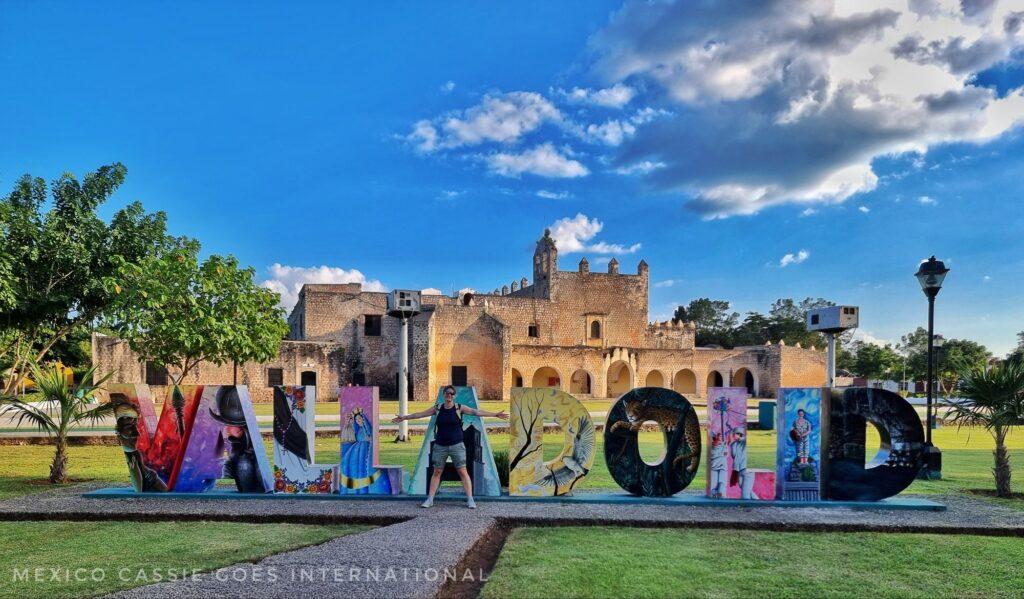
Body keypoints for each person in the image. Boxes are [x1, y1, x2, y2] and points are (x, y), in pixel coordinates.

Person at [393, 385, 508, 508]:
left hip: (457, 445)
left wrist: (495, 414)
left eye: (452, 393)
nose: (450, 395)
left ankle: (470, 499)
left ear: (454, 396)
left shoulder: (459, 407)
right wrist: (404, 417)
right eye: (447, 393)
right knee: (437, 471)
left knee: (462, 471)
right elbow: (420, 414)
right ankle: (430, 499)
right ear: (444, 394)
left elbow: (476, 412)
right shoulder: (437, 408)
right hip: (440, 446)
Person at [729, 427, 756, 500]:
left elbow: (747, 439)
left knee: (745, 495)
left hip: (748, 471)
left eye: (734, 434)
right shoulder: (734, 444)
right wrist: (732, 444)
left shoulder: (745, 442)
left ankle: (747, 508)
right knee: (747, 491)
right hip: (739, 470)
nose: (732, 435)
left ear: (739, 434)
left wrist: (741, 437)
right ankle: (759, 501)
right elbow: (733, 456)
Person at [708, 432, 727, 498]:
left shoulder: (724, 445)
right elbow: (713, 455)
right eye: (720, 436)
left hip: (722, 466)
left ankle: (721, 493)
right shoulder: (712, 446)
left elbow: (726, 454)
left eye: (722, 436)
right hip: (714, 466)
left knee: (722, 481)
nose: (721, 438)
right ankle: (714, 494)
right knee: (714, 482)